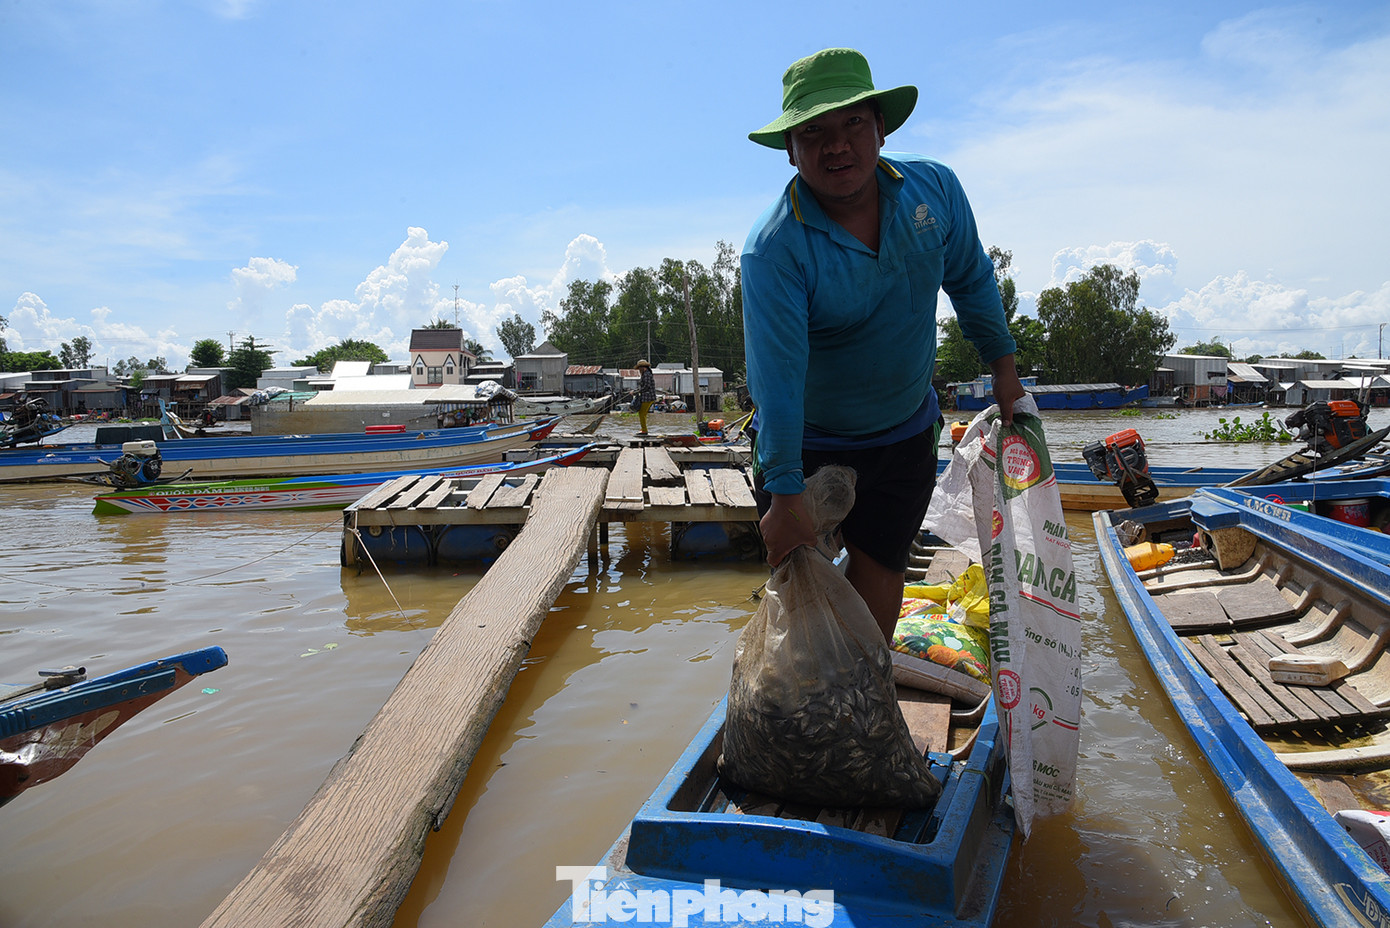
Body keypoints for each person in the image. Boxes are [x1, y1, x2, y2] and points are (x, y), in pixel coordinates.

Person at [742, 47, 1026, 643]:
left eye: (852, 124)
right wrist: (787, 491)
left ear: (882, 128)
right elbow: (778, 376)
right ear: (791, 150)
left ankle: (866, 694)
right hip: (810, 441)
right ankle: (804, 712)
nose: (835, 145)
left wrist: (1004, 371)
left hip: (902, 433)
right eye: (812, 131)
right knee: (798, 591)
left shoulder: (935, 191)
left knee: (881, 574)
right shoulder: (774, 248)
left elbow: (971, 278)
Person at [635, 359, 656, 435]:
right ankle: (643, 428)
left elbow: (646, 386)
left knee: (641, 413)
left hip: (648, 397)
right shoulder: (646, 374)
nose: (639, 370)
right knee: (643, 413)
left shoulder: (646, 374)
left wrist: (637, 392)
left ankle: (644, 430)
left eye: (639, 368)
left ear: (643, 367)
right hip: (647, 397)